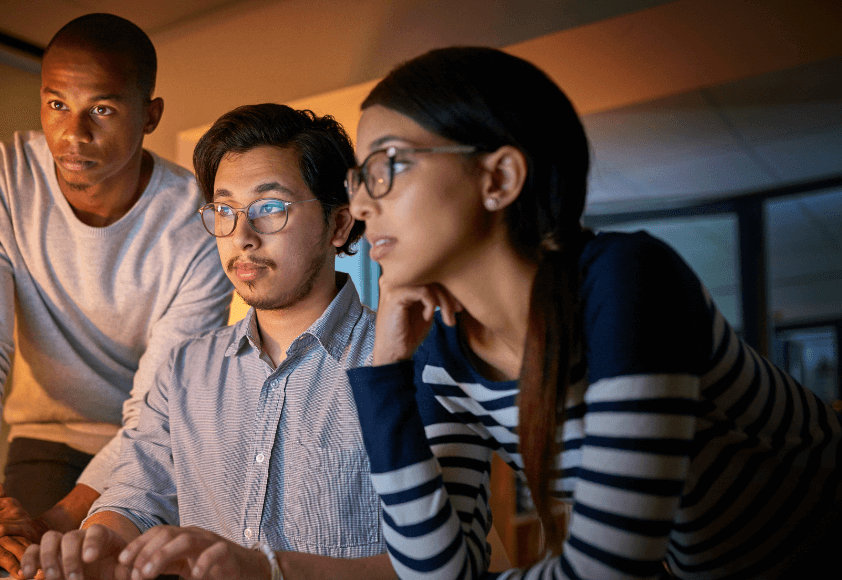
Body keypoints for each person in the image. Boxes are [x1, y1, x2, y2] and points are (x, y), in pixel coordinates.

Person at [345, 46, 842, 579]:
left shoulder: (628, 279)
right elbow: (434, 574)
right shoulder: (442, 349)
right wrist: (384, 368)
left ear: (499, 179)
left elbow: (607, 573)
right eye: (357, 178)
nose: (359, 206)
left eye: (387, 165)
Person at [20, 103, 397, 580]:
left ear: (339, 225)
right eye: (224, 210)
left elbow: (444, 562)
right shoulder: (184, 370)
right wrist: (97, 545)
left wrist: (268, 571)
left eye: (270, 208)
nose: (241, 235)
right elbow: (135, 497)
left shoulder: (400, 362)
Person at [0, 13, 233, 578]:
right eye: (56, 105)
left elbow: (158, 410)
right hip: (49, 434)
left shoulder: (197, 220)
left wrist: (53, 524)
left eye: (101, 109)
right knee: (9, 569)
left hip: (157, 446)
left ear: (150, 116)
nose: (73, 135)